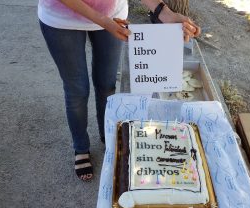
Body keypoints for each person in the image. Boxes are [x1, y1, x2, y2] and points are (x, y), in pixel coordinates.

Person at [38, 0, 201, 181]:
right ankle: (81, 147)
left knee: (107, 85)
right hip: (61, 20)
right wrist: (103, 20)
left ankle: (107, 135)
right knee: (76, 89)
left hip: (113, 15)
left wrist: (164, 12)